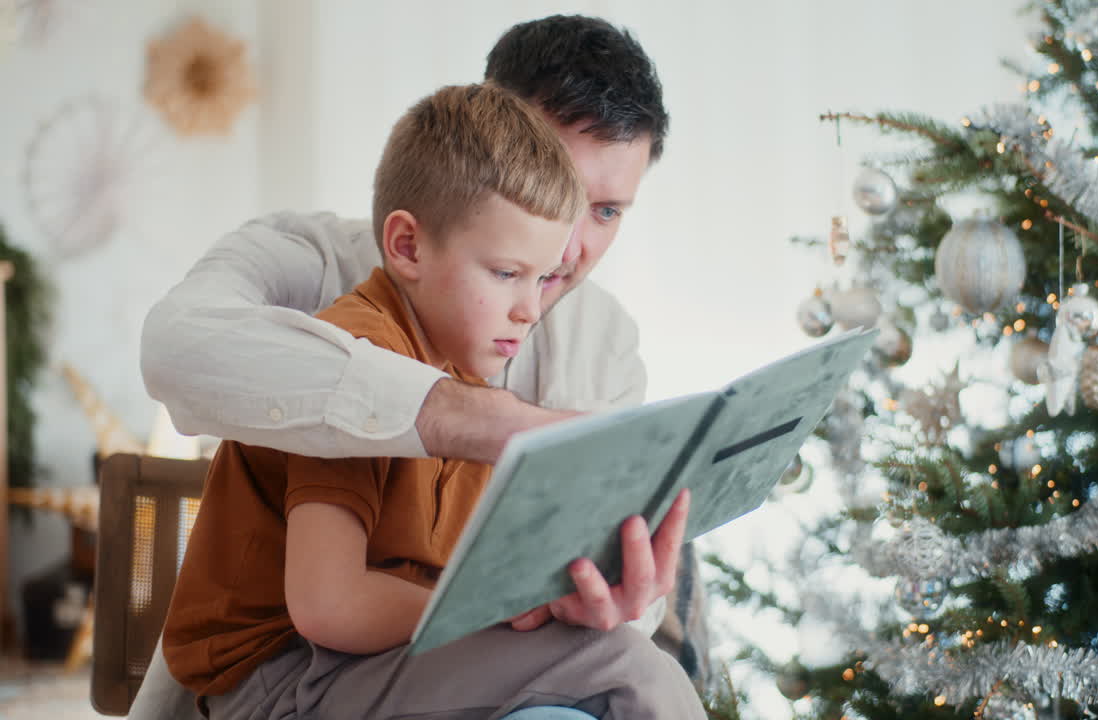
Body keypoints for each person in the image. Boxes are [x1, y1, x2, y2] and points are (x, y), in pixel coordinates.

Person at [139, 13, 712, 704]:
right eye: (550, 187)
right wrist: (479, 422)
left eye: (607, 211)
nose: (567, 247)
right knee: (627, 674)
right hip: (304, 677)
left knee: (615, 668)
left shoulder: (586, 342)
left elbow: (590, 594)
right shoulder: (332, 283)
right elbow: (176, 346)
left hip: (441, 672)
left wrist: (603, 598)